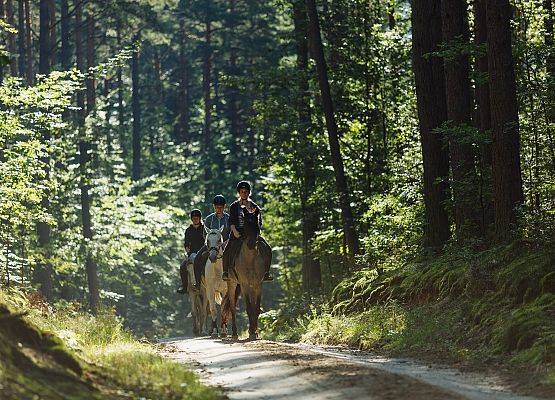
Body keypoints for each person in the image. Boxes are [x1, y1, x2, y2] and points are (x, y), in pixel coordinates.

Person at [222, 181, 273, 282]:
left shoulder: (255, 207)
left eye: (246, 191)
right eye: (242, 191)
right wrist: (235, 232)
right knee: (227, 250)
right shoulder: (234, 206)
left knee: (267, 248)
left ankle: (266, 273)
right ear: (239, 193)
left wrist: (256, 234)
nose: (244, 193)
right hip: (237, 233)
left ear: (249, 192)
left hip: (251, 234)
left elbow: (259, 223)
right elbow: (231, 221)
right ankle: (226, 273)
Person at [191, 195, 230, 291]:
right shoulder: (209, 219)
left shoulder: (229, 219)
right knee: (197, 259)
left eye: (221, 207)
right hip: (211, 245)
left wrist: (225, 242)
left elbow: (232, 233)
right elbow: (205, 234)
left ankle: (237, 282)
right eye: (217, 207)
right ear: (214, 206)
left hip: (226, 244)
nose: (219, 209)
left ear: (224, 206)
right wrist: (210, 243)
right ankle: (198, 283)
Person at [177, 209, 205, 294]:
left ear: (200, 218)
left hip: (203, 252)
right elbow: (186, 243)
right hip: (192, 253)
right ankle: (184, 287)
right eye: (194, 218)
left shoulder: (204, 228)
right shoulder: (188, 230)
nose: (195, 219)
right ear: (191, 219)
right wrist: (187, 250)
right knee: (182, 266)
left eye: (197, 218)